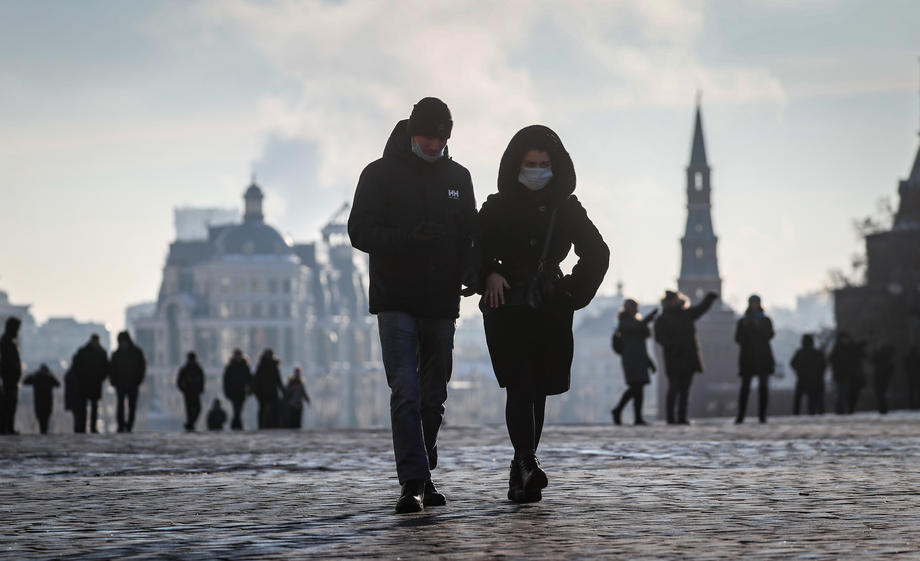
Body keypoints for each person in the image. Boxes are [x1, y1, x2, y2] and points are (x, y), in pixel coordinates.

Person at [348, 97, 479, 513]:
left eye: (441, 137)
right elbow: (359, 230)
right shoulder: (379, 174)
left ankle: (423, 472)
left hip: (441, 301)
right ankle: (413, 482)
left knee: (433, 395)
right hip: (397, 300)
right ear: (411, 133)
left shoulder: (459, 177)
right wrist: (407, 239)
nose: (434, 143)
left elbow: (471, 234)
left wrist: (472, 272)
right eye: (427, 135)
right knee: (405, 389)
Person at [479, 125, 609, 504]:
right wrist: (489, 271)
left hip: (550, 305)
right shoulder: (497, 206)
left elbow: (597, 253)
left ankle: (522, 468)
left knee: (538, 389)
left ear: (556, 166)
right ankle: (525, 462)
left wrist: (571, 290)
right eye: (529, 163)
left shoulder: (566, 208)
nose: (536, 170)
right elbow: (471, 246)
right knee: (519, 384)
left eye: (543, 164)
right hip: (507, 304)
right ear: (515, 166)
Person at [654, 290, 718, 425]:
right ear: (668, 302)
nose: (675, 301)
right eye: (673, 300)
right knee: (674, 388)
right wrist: (672, 346)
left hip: (688, 358)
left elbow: (701, 309)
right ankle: (671, 418)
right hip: (674, 358)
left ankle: (682, 417)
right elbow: (659, 338)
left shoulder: (687, 314)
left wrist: (709, 299)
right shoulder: (662, 319)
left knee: (685, 390)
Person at [611, 300, 657, 426]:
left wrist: (649, 362)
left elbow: (643, 339)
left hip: (639, 358)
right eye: (634, 307)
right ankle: (619, 410)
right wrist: (648, 319)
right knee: (635, 387)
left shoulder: (634, 321)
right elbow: (637, 328)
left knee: (638, 388)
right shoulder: (625, 322)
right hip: (631, 359)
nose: (636, 310)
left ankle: (636, 417)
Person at [734, 295, 775, 424]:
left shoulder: (765, 320)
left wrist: (758, 327)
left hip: (763, 357)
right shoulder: (743, 321)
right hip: (748, 357)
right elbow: (738, 338)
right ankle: (741, 416)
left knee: (763, 387)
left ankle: (762, 416)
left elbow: (770, 335)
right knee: (745, 388)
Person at [108, 331, 146, 432]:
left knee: (131, 406)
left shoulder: (137, 353)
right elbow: (112, 369)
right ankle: (121, 426)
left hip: (133, 384)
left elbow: (142, 368)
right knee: (120, 405)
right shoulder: (116, 354)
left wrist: (138, 380)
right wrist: (113, 381)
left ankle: (129, 426)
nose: (123, 343)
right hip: (120, 384)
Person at [71, 334, 109, 433]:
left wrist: (101, 377)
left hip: (93, 383)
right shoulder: (99, 352)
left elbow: (106, 368)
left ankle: (91, 427)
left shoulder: (96, 352)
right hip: (87, 383)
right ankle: (86, 427)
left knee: (93, 406)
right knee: (86, 406)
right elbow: (76, 367)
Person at [828, 332, 865, 414]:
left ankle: (849, 410)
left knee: (851, 394)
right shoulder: (838, 349)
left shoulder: (850, 348)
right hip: (842, 376)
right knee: (842, 394)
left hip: (851, 376)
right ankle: (841, 411)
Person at [790, 334, 827, 415]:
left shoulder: (799, 353)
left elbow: (792, 363)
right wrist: (819, 374)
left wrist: (799, 371)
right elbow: (823, 365)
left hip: (802, 378)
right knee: (813, 398)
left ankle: (796, 414)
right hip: (815, 379)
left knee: (798, 398)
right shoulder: (817, 353)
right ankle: (814, 413)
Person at [0, 317, 23, 434]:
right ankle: (6, 427)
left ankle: (8, 426)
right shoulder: (6, 342)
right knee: (8, 405)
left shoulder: (8, 341)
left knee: (10, 405)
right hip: (8, 380)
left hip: (11, 380)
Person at [22, 364, 60, 434]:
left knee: (41, 419)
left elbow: (25, 381)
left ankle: (42, 432)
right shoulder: (49, 377)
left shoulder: (36, 377)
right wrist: (51, 374)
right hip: (48, 402)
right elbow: (58, 384)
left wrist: (34, 374)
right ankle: (44, 432)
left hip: (38, 402)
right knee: (45, 418)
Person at [253, 349, 283, 429]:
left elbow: (256, 380)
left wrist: (255, 391)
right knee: (274, 410)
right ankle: (276, 426)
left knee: (263, 410)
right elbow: (278, 380)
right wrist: (283, 390)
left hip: (264, 392)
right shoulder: (274, 365)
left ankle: (261, 426)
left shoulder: (261, 366)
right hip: (270, 391)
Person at [222, 349, 252, 430]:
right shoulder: (230, 367)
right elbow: (226, 381)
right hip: (233, 391)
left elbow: (249, 379)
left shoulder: (245, 366)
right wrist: (227, 391)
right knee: (236, 408)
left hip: (242, 391)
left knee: (239, 408)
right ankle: (237, 424)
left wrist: (250, 389)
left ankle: (236, 424)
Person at [176, 352, 205, 431]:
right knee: (191, 409)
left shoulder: (196, 368)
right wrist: (183, 389)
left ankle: (190, 423)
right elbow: (179, 381)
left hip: (194, 392)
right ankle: (190, 423)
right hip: (189, 392)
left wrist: (200, 389)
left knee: (196, 409)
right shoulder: (186, 369)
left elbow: (202, 380)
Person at [869, 343, 895, 415]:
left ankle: (883, 409)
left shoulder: (882, 356)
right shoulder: (888, 357)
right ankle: (883, 409)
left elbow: (872, 360)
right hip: (882, 378)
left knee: (880, 394)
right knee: (881, 394)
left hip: (881, 377)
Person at [905, 345, 920, 410]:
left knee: (912, 392)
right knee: (912, 392)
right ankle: (912, 406)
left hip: (913, 377)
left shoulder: (909, 358)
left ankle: (912, 406)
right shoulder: (915, 358)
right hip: (914, 377)